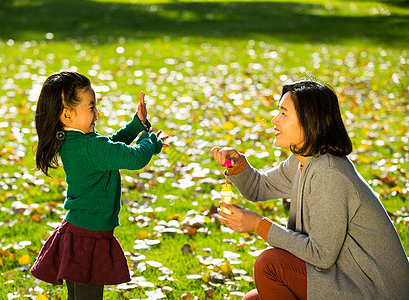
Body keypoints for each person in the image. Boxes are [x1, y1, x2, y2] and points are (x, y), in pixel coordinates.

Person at [210, 79, 408, 300]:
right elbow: (259, 187)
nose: (274, 121)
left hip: (374, 290)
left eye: (283, 114)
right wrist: (238, 164)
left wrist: (259, 225)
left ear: (309, 121)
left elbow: (321, 255)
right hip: (344, 279)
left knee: (270, 265)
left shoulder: (329, 173)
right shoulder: (304, 160)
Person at [30, 71, 167, 299]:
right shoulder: (90, 146)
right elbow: (134, 158)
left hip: (78, 231)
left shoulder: (73, 141)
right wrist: (148, 139)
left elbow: (111, 148)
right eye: (91, 107)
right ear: (67, 115)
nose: (97, 113)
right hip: (88, 237)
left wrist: (135, 126)